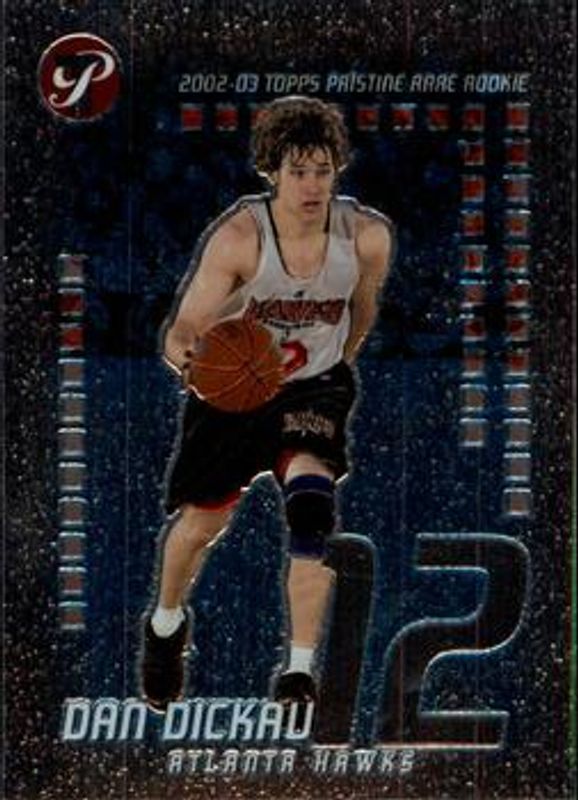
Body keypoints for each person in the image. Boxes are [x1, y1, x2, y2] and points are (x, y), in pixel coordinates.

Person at [140, 95, 394, 714]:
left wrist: (333, 369)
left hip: (312, 386)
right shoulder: (239, 238)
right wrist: (196, 365)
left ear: (337, 170)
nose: (312, 185)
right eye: (298, 171)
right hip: (236, 395)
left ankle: (299, 669)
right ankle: (166, 624)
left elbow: (361, 313)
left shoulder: (366, 237)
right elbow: (183, 331)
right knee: (201, 525)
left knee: (312, 507)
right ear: (272, 171)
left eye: (323, 170)